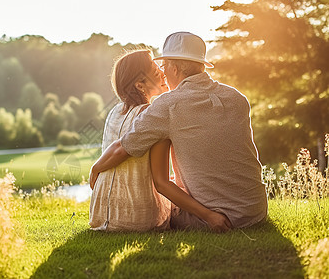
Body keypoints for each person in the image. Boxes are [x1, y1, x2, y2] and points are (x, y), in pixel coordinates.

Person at [90, 32, 267, 232]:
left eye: (164, 67)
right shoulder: (237, 98)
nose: (163, 73)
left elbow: (125, 147)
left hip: (220, 218)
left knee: (163, 205)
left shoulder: (168, 105)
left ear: (174, 68)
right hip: (255, 211)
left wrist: (96, 168)